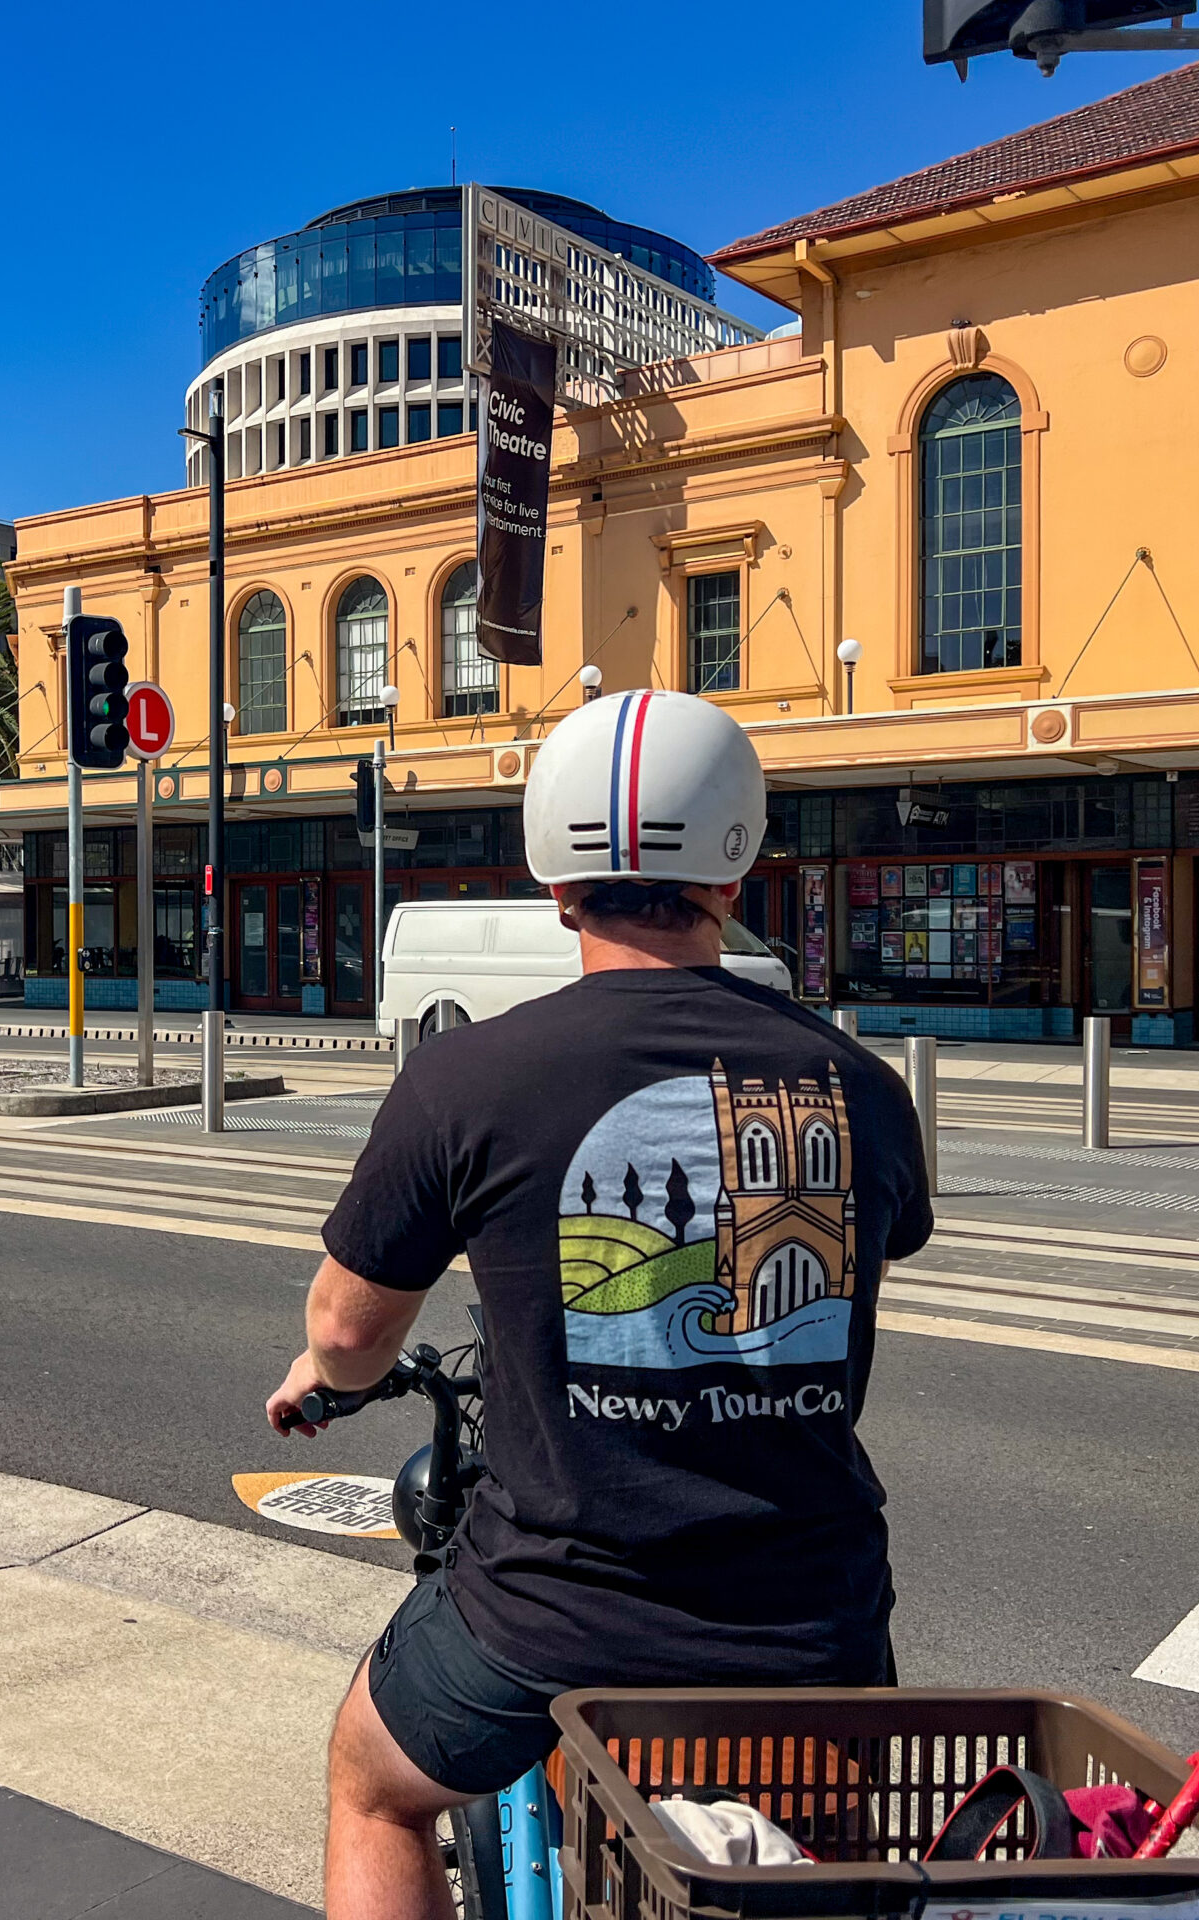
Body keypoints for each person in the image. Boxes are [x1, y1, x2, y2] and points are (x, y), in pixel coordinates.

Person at [267, 689, 934, 1920]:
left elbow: (350, 1332)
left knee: (372, 1782)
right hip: (809, 1626)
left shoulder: (465, 1076)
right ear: (736, 871)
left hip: (549, 1624)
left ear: (551, 880)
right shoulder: (858, 1086)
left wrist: (326, 1381)